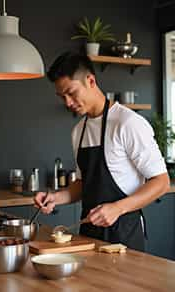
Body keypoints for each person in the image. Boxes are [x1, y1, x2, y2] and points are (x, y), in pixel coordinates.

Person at [34, 52, 170, 251]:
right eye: (62, 97)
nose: (68, 103)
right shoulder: (78, 131)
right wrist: (56, 197)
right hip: (88, 236)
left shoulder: (127, 123)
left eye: (71, 93)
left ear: (90, 80)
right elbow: (84, 184)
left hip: (124, 236)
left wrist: (117, 208)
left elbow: (161, 182)